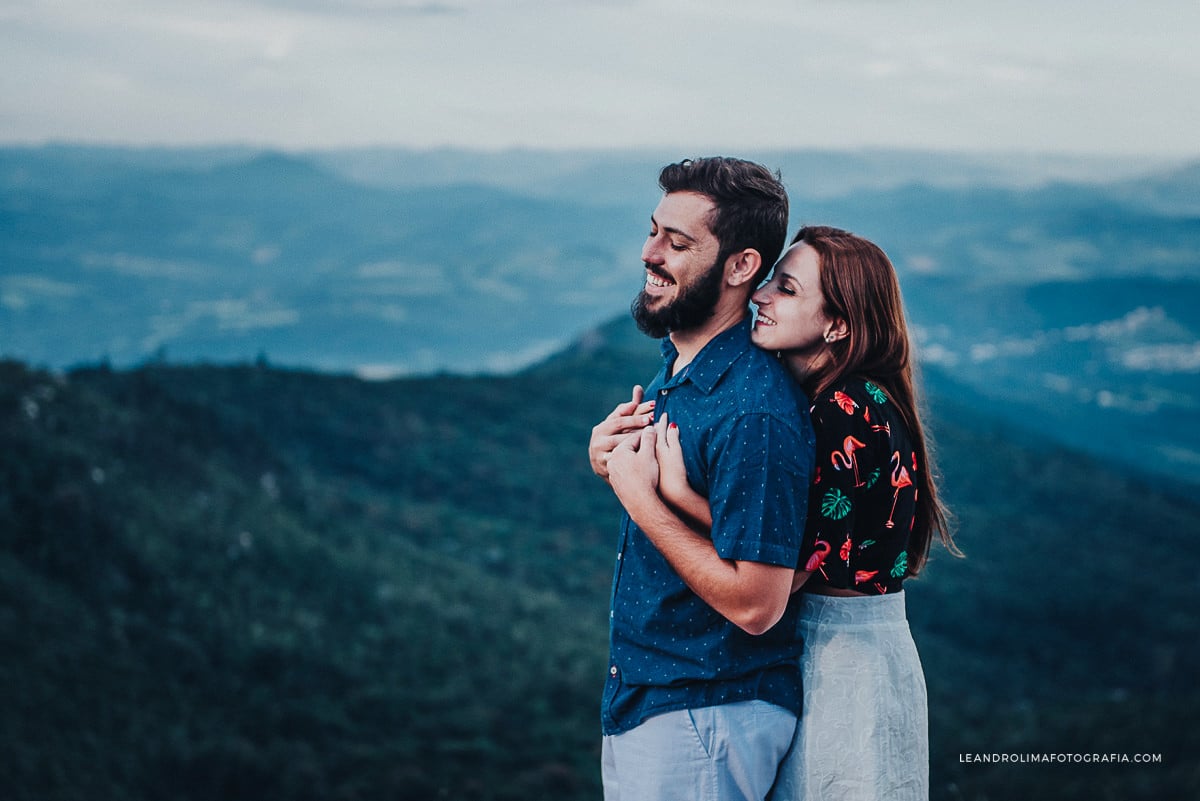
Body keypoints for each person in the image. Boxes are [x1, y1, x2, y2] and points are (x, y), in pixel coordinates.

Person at [612, 225, 959, 801]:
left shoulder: (844, 410)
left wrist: (668, 494)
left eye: (788, 289)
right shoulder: (848, 398)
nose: (761, 296)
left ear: (837, 324)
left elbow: (787, 569)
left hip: (844, 656)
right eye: (772, 279)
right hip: (853, 645)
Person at [587, 157, 816, 801]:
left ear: (741, 267)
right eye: (653, 230)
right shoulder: (683, 365)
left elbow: (758, 603)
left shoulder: (753, 411)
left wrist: (640, 499)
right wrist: (607, 457)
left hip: (704, 715)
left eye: (677, 243)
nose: (649, 253)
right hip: (659, 704)